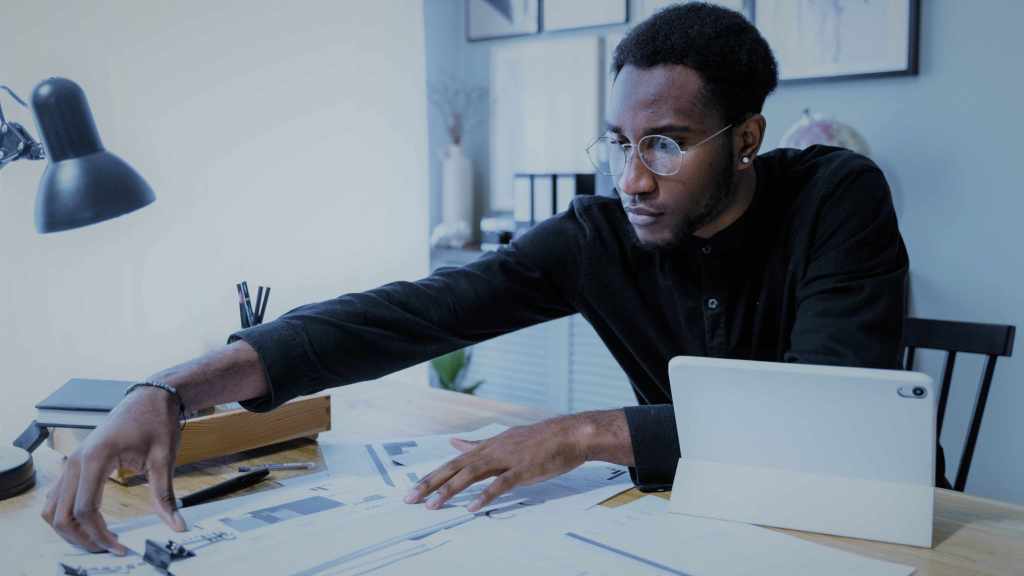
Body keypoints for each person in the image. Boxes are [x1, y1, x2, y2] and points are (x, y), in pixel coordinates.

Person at [43, 3, 922, 556]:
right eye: (619, 143)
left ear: (746, 138)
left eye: (664, 143)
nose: (632, 179)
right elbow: (411, 315)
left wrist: (578, 434)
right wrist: (170, 388)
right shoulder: (600, 233)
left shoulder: (838, 195)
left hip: (864, 521)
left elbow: (820, 407)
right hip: (705, 524)